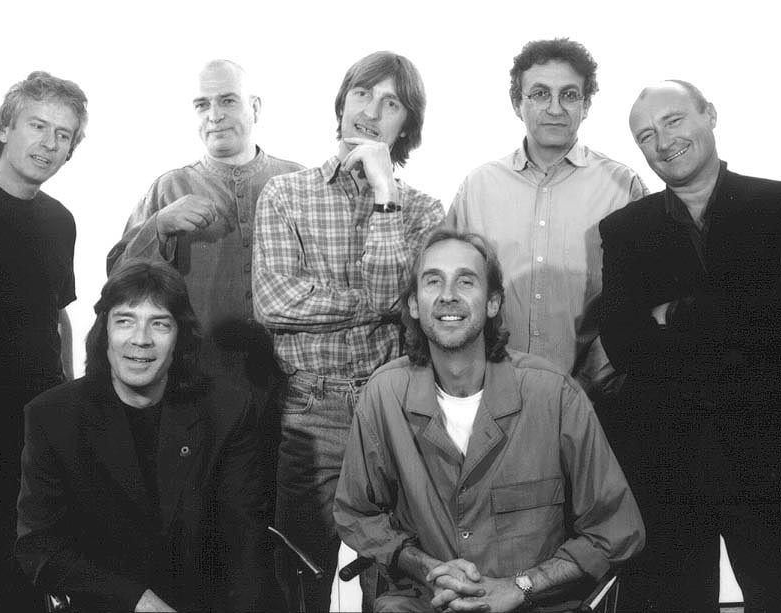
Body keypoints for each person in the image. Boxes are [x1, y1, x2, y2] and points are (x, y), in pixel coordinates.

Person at [334, 228, 644, 612]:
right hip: (425, 602)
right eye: (433, 281)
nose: (448, 294)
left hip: (532, 604)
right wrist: (426, 567)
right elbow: (357, 513)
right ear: (414, 304)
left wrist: (520, 586)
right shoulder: (384, 395)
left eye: (466, 281)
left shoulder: (554, 394)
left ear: (493, 302)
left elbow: (617, 530)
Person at [252, 50, 444, 611]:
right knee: (301, 571)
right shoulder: (286, 193)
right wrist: (380, 306)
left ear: (407, 125)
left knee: (393, 577)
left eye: (391, 103)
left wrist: (385, 196)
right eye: (362, 94)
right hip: (311, 408)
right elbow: (275, 303)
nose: (371, 112)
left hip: (394, 404)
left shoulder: (422, 209)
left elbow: (404, 301)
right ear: (341, 104)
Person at [599, 80, 781, 612]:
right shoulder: (625, 230)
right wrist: (743, 316)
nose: (663, 142)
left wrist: (677, 313)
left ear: (711, 115)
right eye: (645, 135)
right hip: (671, 462)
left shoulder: (775, 206)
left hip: (770, 455)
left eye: (673, 120)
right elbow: (625, 343)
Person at [15, 260, 271, 612]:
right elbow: (39, 547)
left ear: (180, 336)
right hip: (107, 602)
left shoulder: (228, 410)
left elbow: (246, 544)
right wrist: (134, 599)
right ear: (105, 332)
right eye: (125, 321)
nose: (140, 339)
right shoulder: (52, 416)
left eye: (159, 323)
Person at [447, 38, 647, 401]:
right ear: (517, 103)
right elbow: (450, 293)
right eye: (540, 94)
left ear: (586, 105)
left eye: (569, 95)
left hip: (594, 399)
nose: (555, 108)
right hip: (492, 395)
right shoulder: (477, 188)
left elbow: (643, 299)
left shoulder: (623, 187)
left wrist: (590, 382)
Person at [0, 70, 88, 611]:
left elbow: (57, 316)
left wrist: (70, 397)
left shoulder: (61, 221)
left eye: (63, 134)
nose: (49, 143)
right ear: (4, 128)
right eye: (37, 125)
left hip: (39, 432)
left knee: (43, 580)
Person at [106, 59, 302, 379]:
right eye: (202, 105)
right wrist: (159, 227)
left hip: (292, 379)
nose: (214, 115)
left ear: (255, 107)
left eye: (227, 100)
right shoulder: (169, 188)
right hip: (197, 379)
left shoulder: (298, 182)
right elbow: (118, 284)